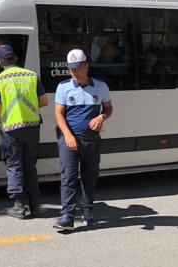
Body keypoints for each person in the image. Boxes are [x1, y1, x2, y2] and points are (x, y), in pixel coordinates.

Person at [53, 49, 113, 230]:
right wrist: (69, 136)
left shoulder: (101, 86)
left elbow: (108, 108)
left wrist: (101, 117)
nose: (74, 72)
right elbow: (59, 114)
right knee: (68, 177)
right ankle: (67, 216)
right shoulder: (63, 87)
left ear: (86, 66)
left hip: (91, 140)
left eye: (77, 68)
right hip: (68, 140)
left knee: (89, 177)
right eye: (71, 68)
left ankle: (88, 212)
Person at [0, 45, 48, 219]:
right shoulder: (31, 76)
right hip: (32, 127)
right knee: (30, 165)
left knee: (14, 165)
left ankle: (18, 206)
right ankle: (35, 206)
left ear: (0, 62)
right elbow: (43, 101)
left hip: (11, 130)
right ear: (15, 58)